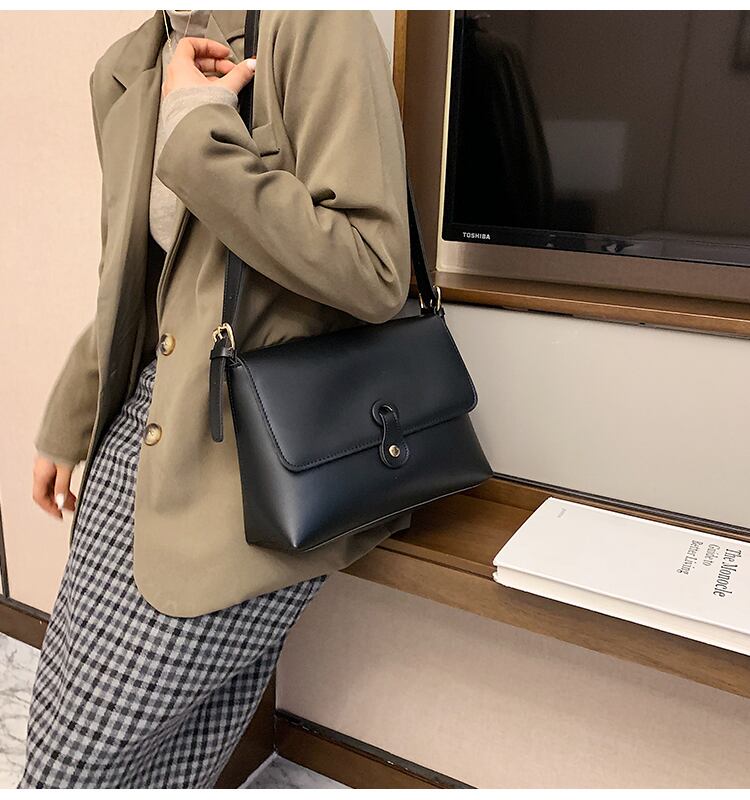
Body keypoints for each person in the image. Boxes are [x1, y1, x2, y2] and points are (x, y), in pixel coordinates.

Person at [20, 10, 412, 788]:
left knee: (74, 766)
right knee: (149, 761)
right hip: (142, 432)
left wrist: (199, 137)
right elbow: (136, 282)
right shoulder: (128, 65)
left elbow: (374, 271)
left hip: (262, 463)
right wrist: (70, 416)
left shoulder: (314, 25)